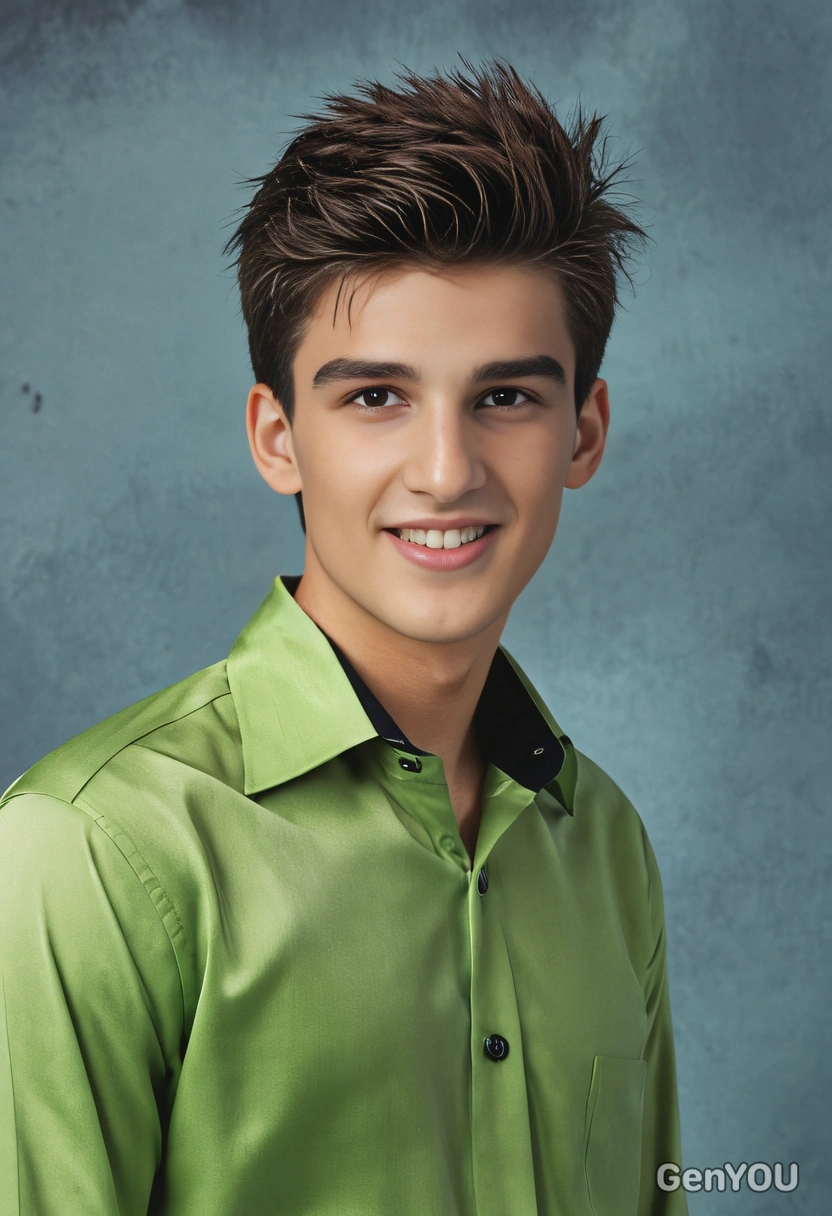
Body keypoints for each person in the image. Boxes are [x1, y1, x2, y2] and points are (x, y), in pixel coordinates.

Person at [0, 59, 687, 1216]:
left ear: (584, 431)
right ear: (278, 438)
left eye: (505, 396)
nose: (444, 470)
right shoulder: (90, 855)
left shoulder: (607, 847)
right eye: (375, 396)